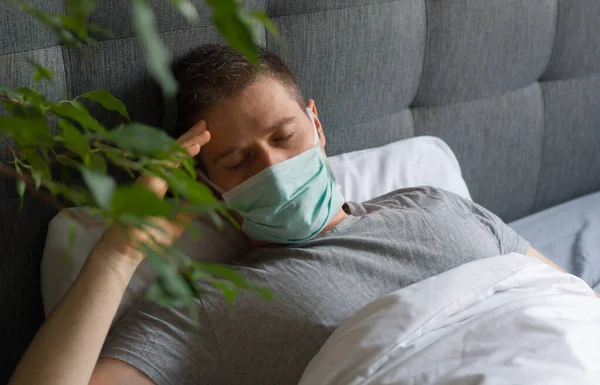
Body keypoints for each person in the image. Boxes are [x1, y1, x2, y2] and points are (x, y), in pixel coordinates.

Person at [9, 44, 599, 385]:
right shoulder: (210, 309)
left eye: (284, 136)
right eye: (238, 161)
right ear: (208, 184)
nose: (271, 167)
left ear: (316, 125)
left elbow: (567, 301)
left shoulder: (440, 204)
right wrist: (120, 252)